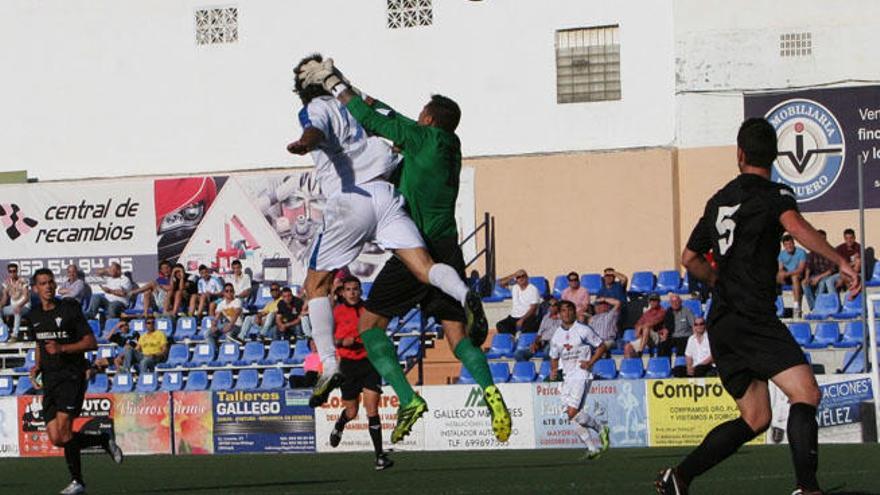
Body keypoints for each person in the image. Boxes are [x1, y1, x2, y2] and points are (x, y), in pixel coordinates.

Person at [296, 57, 511, 444]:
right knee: (457, 336)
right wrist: (348, 82)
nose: (416, 117)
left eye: (421, 114)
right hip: (449, 246)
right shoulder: (449, 146)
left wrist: (334, 83)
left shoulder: (418, 137)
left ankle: (408, 398)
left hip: (416, 243)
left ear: (427, 119)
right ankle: (492, 394)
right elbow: (385, 112)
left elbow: (376, 118)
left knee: (369, 326)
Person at [656, 118, 861, 495]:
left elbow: (689, 257)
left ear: (740, 154)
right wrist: (841, 261)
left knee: (755, 417)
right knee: (806, 394)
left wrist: (718, 281)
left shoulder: (718, 200)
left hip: (722, 321)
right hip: (752, 315)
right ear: (776, 156)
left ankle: (679, 477)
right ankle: (808, 488)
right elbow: (797, 228)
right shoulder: (774, 194)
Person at [27, 268, 123, 495]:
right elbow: (40, 344)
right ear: (36, 288)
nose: (48, 286)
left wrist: (62, 348)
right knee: (57, 438)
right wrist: (37, 365)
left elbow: (91, 343)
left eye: (50, 282)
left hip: (72, 376)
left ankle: (77, 482)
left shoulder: (69, 309)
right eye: (42, 283)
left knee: (64, 429)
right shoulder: (34, 315)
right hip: (50, 379)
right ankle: (102, 439)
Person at [326, 276, 393, 470]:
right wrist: (341, 342)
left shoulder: (368, 310)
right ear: (343, 292)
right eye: (348, 289)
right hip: (348, 365)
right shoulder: (336, 312)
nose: (352, 292)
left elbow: (380, 329)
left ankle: (379, 456)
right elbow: (326, 340)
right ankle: (340, 423)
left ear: (360, 291)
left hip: (369, 362)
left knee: (372, 408)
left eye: (356, 289)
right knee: (352, 412)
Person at [548, 300, 609, 459]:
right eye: (563, 310)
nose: (566, 313)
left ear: (574, 312)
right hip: (567, 377)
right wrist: (554, 371)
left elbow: (602, 346)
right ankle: (593, 448)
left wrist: (590, 362)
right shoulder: (557, 335)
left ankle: (599, 428)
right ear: (559, 314)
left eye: (569, 310)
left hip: (581, 374)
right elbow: (554, 356)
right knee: (571, 416)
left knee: (572, 412)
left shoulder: (583, 329)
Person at [514, 296, 561, 361]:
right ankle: (528, 370)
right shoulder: (546, 317)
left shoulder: (563, 318)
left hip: (554, 344)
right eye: (550, 305)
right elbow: (539, 333)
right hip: (541, 343)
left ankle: (546, 370)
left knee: (547, 352)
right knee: (518, 354)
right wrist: (535, 343)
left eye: (555, 305)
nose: (552, 307)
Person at [496, 269, 542, 334]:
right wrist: (513, 275)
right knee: (500, 325)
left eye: (523, 276)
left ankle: (520, 339)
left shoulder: (533, 289)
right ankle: (512, 339)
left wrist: (522, 319)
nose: (521, 278)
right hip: (514, 317)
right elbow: (499, 283)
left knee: (528, 326)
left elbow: (533, 308)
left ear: (527, 277)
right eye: (518, 277)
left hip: (527, 317)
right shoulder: (514, 287)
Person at [802, 230, 836, 311]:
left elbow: (832, 270)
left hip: (827, 275)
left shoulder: (831, 251)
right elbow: (808, 266)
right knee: (804, 284)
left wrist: (818, 278)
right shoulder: (813, 252)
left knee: (822, 283)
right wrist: (806, 278)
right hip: (815, 275)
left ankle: (818, 305)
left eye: (823, 239)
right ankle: (813, 307)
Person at [823, 228, 862, 297]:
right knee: (829, 281)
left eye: (851, 238)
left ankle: (849, 293)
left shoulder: (858, 247)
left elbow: (858, 264)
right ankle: (834, 301)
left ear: (854, 238)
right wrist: (851, 264)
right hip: (842, 272)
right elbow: (839, 265)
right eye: (847, 238)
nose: (849, 240)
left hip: (856, 273)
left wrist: (846, 266)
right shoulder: (840, 248)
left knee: (857, 263)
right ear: (844, 238)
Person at [204, 283, 244, 348]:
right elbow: (216, 317)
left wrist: (230, 325)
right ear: (224, 293)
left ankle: (229, 355)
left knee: (229, 335)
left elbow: (236, 314)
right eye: (227, 291)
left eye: (231, 291)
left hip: (237, 326)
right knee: (208, 333)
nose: (229, 292)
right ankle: (214, 351)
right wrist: (213, 326)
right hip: (226, 325)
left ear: (234, 292)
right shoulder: (221, 304)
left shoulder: (237, 301)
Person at [777, 234, 807, 317]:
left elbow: (801, 269)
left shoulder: (801, 252)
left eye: (790, 244)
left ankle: (797, 306)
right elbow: (780, 268)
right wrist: (781, 274)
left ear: (793, 243)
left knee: (795, 277)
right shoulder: (782, 254)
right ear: (784, 246)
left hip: (799, 275)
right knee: (776, 277)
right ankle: (776, 303)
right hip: (788, 275)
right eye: (786, 244)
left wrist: (786, 274)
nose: (789, 246)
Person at [1, 263, 31, 341]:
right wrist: (0, 305)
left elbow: (26, 297)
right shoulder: (6, 283)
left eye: (14, 271)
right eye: (10, 271)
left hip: (25, 306)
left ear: (17, 271)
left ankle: (15, 335)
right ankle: (2, 330)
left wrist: (19, 305)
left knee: (17, 311)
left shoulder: (23, 281)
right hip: (13, 307)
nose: (12, 273)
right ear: (8, 272)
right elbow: (4, 298)